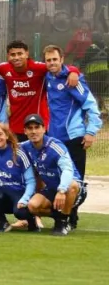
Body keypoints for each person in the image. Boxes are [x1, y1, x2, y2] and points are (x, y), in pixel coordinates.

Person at [0, 40, 78, 140]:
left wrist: (73, 71)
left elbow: (55, 67)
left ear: (27, 54)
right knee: (18, 162)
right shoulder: (4, 68)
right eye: (13, 55)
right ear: (8, 56)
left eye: (20, 53)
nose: (17, 57)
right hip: (15, 126)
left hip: (37, 125)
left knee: (39, 163)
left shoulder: (38, 68)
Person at [43, 44, 101, 228]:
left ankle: (71, 218)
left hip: (74, 138)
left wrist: (91, 132)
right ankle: (61, 216)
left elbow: (91, 106)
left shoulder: (73, 80)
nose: (52, 63)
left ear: (61, 60)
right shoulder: (47, 78)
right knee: (57, 178)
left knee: (75, 181)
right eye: (48, 60)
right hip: (54, 138)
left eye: (55, 59)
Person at [21, 114, 87, 236]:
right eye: (30, 128)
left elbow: (68, 170)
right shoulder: (26, 146)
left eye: (37, 127)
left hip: (73, 188)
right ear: (25, 131)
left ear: (44, 129)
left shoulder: (55, 146)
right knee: (32, 206)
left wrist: (62, 190)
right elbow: (9, 146)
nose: (34, 131)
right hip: (52, 189)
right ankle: (59, 216)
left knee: (71, 185)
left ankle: (62, 222)